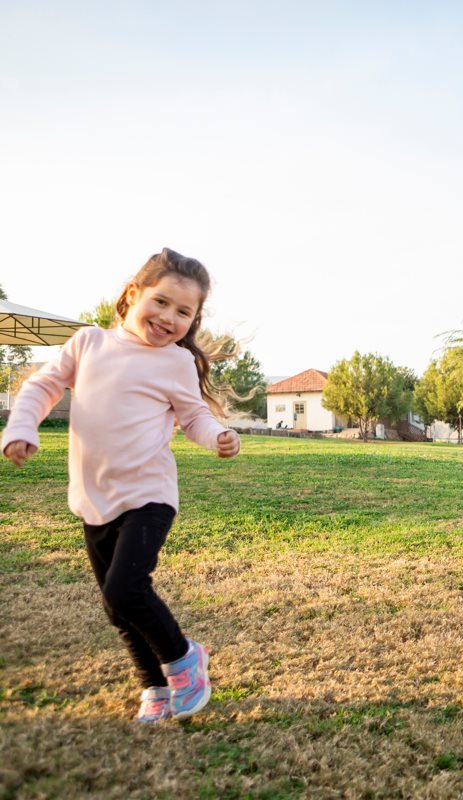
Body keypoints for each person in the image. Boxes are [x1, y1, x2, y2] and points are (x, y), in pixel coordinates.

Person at [1, 248, 241, 722]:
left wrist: (217, 434)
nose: (169, 317)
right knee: (118, 609)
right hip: (94, 498)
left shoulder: (176, 362)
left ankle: (184, 660)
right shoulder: (88, 343)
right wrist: (22, 427)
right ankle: (154, 687)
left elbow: (193, 414)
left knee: (125, 589)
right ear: (133, 294)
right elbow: (42, 386)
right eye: (161, 302)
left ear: (193, 320)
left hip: (148, 494)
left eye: (183, 312)